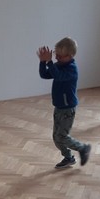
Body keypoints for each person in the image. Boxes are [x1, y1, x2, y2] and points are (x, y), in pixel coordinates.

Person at [37, 37, 91, 169]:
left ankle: (83, 148)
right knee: (56, 137)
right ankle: (68, 158)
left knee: (62, 136)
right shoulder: (59, 65)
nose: (57, 58)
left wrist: (49, 61)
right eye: (56, 55)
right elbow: (45, 75)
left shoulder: (71, 69)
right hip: (59, 107)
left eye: (60, 56)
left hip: (68, 108)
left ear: (70, 55)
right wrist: (43, 62)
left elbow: (58, 76)